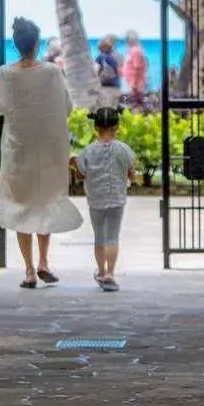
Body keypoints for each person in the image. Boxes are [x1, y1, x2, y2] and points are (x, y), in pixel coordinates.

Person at [0, 17, 82, 287]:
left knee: (21, 204)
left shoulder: (7, 73)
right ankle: (43, 261)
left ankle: (29, 270)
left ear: (16, 44)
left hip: (19, 149)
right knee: (45, 200)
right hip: (49, 149)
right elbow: (66, 105)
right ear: (37, 43)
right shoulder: (52, 71)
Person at [70, 106, 136, 292]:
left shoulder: (88, 152)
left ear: (95, 128)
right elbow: (131, 172)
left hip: (96, 200)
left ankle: (100, 271)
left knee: (99, 237)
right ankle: (111, 274)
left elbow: (82, 174)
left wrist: (74, 164)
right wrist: (130, 177)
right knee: (113, 237)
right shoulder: (124, 150)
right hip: (117, 199)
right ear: (117, 127)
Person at [120, 30, 148, 106]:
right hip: (131, 82)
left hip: (135, 83)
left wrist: (134, 84)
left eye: (126, 39)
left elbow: (137, 68)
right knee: (132, 103)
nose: (125, 41)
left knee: (135, 103)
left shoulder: (136, 51)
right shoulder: (132, 50)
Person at [95, 35, 122, 107]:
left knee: (105, 108)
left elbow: (96, 71)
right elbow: (120, 73)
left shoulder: (100, 57)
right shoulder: (116, 57)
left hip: (105, 87)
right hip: (116, 86)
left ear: (101, 48)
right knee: (114, 108)